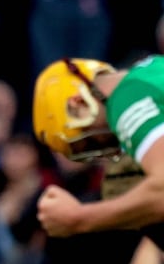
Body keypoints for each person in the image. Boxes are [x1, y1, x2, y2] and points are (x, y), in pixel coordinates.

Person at [33, 57, 164, 235]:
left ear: (79, 103)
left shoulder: (125, 100)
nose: (107, 151)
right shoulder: (151, 70)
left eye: (91, 142)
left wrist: (79, 218)